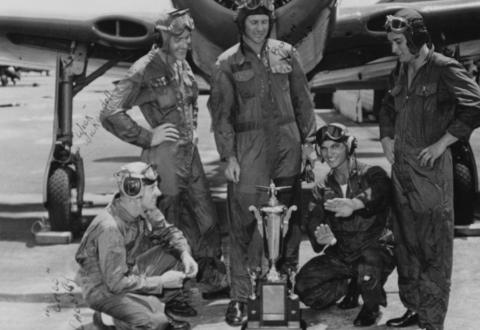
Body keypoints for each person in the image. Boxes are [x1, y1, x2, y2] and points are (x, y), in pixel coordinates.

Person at [100, 9, 228, 300]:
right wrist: (147, 136)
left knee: (206, 216)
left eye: (188, 39)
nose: (185, 45)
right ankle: (167, 291)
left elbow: (191, 101)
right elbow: (109, 112)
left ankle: (211, 277)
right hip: (164, 159)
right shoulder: (144, 69)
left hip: (189, 154)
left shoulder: (183, 66)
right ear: (163, 36)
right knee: (167, 223)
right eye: (179, 39)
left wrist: (191, 129)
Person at [379, 9, 480, 330]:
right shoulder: (400, 70)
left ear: (415, 38)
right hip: (401, 172)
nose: (394, 49)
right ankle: (414, 309)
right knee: (406, 244)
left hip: (430, 174)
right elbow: (387, 105)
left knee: (433, 249)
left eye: (398, 42)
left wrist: (444, 143)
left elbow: (479, 107)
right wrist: (386, 136)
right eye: (392, 42)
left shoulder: (444, 69)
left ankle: (431, 321)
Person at [207, 0, 316, 325]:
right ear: (242, 26)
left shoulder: (286, 54)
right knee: (243, 224)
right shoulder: (227, 63)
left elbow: (303, 100)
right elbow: (221, 115)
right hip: (249, 149)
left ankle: (285, 289)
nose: (259, 27)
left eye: (263, 21)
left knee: (288, 221)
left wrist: (308, 143)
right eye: (253, 22)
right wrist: (229, 157)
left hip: (287, 146)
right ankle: (241, 298)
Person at [75, 162, 198, 330]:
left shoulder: (144, 207)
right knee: (155, 323)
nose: (159, 192)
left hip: (125, 272)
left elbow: (169, 232)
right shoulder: (110, 228)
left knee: (175, 255)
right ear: (134, 190)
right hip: (102, 288)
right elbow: (116, 283)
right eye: (153, 188)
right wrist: (161, 282)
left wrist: (185, 254)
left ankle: (136, 310)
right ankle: (113, 318)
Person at [294, 123, 395, 327]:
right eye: (324, 148)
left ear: (348, 146)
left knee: (368, 271)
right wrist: (318, 237)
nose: (329, 153)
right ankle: (351, 285)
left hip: (374, 250)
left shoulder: (372, 173)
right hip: (343, 254)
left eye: (335, 147)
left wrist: (355, 204)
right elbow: (313, 221)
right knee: (304, 287)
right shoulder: (322, 188)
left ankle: (371, 306)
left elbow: (381, 191)